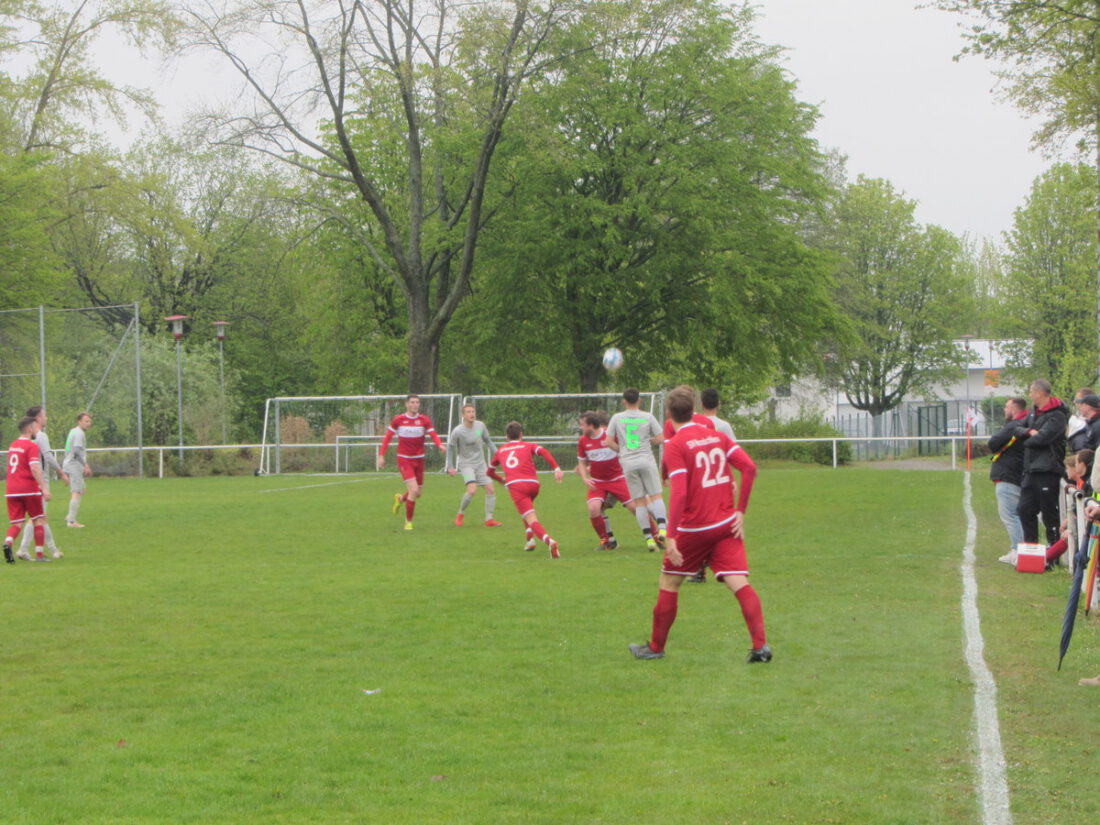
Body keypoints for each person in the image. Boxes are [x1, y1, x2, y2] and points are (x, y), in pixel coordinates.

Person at [629, 385, 770, 663]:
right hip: (726, 524)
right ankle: (761, 647)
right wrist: (741, 511)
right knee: (739, 582)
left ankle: (656, 647)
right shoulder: (717, 436)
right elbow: (750, 468)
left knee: (669, 582)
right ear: (694, 410)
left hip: (695, 527)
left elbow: (680, 492)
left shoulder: (676, 445)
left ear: (669, 415)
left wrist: (671, 535)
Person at [576, 410, 662, 551]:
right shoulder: (583, 441)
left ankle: (656, 536)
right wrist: (585, 478)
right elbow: (581, 462)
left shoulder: (610, 435)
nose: (580, 427)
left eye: (582, 425)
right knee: (593, 508)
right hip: (598, 482)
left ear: (591, 425)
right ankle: (607, 541)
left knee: (635, 507)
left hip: (618, 479)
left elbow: (627, 445)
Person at [487, 421, 564, 558]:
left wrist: (502, 480)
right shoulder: (528, 445)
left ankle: (550, 542)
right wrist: (556, 468)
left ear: (506, 436)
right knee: (526, 510)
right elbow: (544, 452)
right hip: (533, 484)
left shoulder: (501, 451)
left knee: (531, 518)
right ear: (521, 435)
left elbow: (489, 472)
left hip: (517, 486)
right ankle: (530, 539)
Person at [606, 388, 668, 545]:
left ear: (624, 402)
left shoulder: (617, 418)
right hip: (646, 460)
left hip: (628, 462)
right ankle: (662, 528)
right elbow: (661, 438)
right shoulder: (647, 417)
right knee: (655, 496)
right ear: (639, 400)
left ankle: (648, 538)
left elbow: (608, 441)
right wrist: (652, 441)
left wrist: (621, 451)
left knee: (639, 502)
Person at [377, 394, 445, 531]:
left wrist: (440, 445)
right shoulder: (399, 420)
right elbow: (387, 438)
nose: (415, 405)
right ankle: (408, 522)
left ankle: (400, 499)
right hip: (404, 459)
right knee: (413, 490)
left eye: (417, 402)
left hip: (419, 459)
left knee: (418, 493)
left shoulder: (424, 420)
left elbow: (433, 435)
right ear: (406, 404)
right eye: (412, 402)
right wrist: (381, 455)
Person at [1015, 379, 1068, 547]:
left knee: (1049, 513)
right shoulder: (1033, 413)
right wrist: (1029, 431)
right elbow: (1017, 428)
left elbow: (1043, 438)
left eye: (1031, 391)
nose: (1030, 395)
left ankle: (1054, 551)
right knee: (1024, 509)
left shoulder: (1057, 415)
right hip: (1030, 470)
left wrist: (1026, 440)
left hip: (1048, 470)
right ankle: (1031, 548)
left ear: (1039, 393)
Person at [16, 406, 67, 560]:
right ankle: (26, 549)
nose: (46, 418)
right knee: (39, 517)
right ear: (37, 418)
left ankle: (50, 550)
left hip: (26, 481)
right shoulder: (41, 436)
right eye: (44, 415)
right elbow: (48, 457)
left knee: (39, 517)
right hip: (39, 480)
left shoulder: (25, 438)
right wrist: (61, 472)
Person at [4, 416, 51, 563]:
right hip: (28, 488)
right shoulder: (31, 446)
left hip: (11, 489)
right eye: (35, 427)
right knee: (38, 519)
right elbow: (35, 467)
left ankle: (8, 542)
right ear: (30, 429)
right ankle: (39, 555)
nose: (37, 430)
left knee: (17, 523)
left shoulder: (13, 445)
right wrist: (44, 487)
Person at [446, 403, 502, 527]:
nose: (472, 414)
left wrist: (499, 454)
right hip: (466, 465)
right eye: (468, 412)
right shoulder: (458, 431)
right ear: (463, 415)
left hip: (481, 464)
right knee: (472, 490)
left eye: (473, 411)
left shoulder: (480, 426)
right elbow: (450, 447)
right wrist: (450, 466)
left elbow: (488, 441)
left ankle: (489, 520)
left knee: (490, 489)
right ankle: (460, 513)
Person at [988, 397, 1027, 565]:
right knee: (1015, 515)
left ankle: (1017, 550)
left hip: (1008, 475)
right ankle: (1018, 549)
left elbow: (993, 443)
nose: (1005, 410)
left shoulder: (1013, 426)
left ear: (1014, 409)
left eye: (1007, 407)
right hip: (1017, 474)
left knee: (1010, 515)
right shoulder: (1026, 424)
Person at [62, 412, 93, 528]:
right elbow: (76, 452)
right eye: (86, 421)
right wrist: (85, 465)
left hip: (69, 463)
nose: (88, 423)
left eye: (89, 421)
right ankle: (71, 521)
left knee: (82, 489)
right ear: (79, 421)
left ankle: (70, 515)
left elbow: (68, 449)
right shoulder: (79, 433)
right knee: (76, 492)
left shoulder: (73, 431)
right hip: (74, 465)